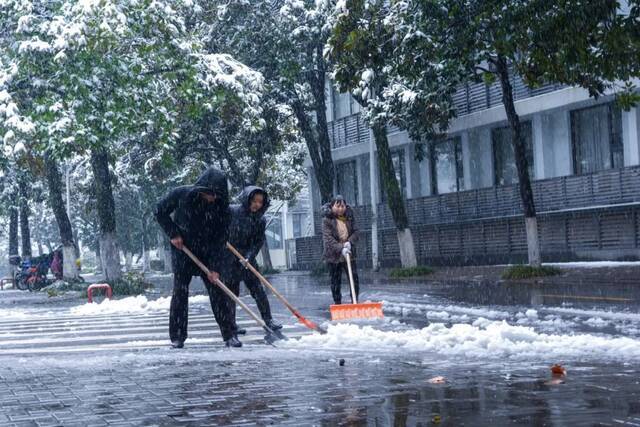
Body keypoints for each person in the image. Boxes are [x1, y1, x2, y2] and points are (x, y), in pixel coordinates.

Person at [155, 167, 242, 348]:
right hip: (183, 250)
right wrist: (173, 233)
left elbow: (221, 239)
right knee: (180, 292)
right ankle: (177, 337)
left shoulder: (222, 208)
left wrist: (216, 268)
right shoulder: (181, 194)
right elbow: (159, 211)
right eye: (209, 193)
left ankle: (229, 334)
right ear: (201, 189)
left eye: (216, 195)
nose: (212, 198)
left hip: (208, 253)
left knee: (218, 291)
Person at [226, 186, 282, 334]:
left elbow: (258, 241)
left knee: (258, 290)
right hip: (230, 255)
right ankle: (231, 324)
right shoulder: (232, 211)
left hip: (247, 257)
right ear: (247, 199)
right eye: (254, 200)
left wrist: (249, 257)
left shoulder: (260, 220)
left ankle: (268, 319)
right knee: (232, 292)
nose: (257, 204)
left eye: (260, 201)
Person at [321, 195, 359, 305]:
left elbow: (356, 232)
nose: (341, 209)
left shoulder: (350, 217)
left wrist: (349, 242)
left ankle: (355, 301)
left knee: (354, 279)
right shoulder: (327, 220)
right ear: (332, 206)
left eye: (342, 206)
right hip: (334, 255)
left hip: (349, 253)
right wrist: (341, 248)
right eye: (337, 206)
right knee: (336, 281)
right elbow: (328, 239)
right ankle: (338, 303)